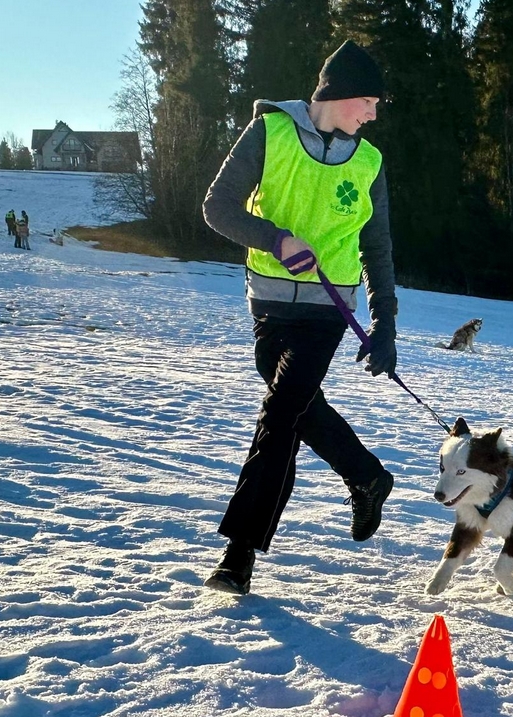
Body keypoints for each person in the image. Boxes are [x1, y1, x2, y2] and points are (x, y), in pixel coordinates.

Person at [200, 40, 397, 595]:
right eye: (371, 102)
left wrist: (385, 323)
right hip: (266, 302)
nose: (375, 114)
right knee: (299, 408)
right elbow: (217, 208)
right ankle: (367, 475)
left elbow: (377, 248)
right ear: (341, 96)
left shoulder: (369, 162)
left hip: (326, 312)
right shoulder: (269, 132)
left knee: (282, 412)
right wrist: (276, 239)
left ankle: (239, 553)